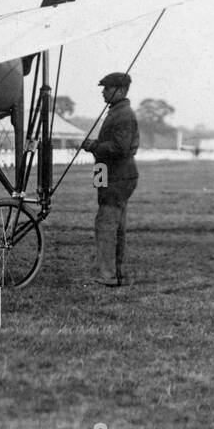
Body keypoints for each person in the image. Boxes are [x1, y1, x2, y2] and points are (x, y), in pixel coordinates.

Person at [81, 72, 140, 287]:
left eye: (106, 88)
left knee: (106, 225)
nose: (103, 92)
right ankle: (117, 273)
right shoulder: (117, 111)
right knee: (114, 224)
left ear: (120, 90)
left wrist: (93, 146)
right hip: (109, 173)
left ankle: (108, 275)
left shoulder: (123, 114)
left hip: (117, 175)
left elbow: (119, 148)